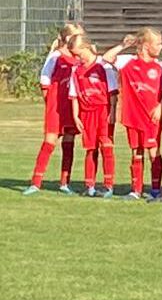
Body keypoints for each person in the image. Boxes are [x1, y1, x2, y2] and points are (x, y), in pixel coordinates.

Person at [102, 30, 162, 201]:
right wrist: (124, 45)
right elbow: (106, 57)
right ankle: (136, 189)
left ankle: (156, 189)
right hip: (133, 116)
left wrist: (159, 106)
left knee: (153, 152)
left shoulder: (160, 66)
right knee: (136, 152)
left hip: (152, 117)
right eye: (158, 43)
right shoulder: (128, 61)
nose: (161, 47)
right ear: (147, 46)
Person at [23, 23, 84, 196]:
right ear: (67, 39)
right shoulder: (56, 56)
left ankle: (65, 182)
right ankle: (36, 182)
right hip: (56, 107)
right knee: (49, 142)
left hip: (71, 107)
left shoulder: (79, 58)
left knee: (69, 143)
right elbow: (45, 79)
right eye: (77, 36)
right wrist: (49, 102)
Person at [66, 34, 117, 198]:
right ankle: (90, 186)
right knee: (90, 149)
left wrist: (113, 113)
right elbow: (73, 94)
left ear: (86, 48)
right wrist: (76, 116)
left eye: (78, 53)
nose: (76, 57)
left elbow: (113, 93)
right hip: (86, 113)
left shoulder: (104, 65)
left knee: (106, 147)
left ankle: (108, 186)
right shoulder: (76, 69)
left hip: (103, 110)